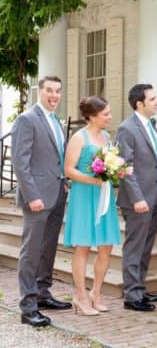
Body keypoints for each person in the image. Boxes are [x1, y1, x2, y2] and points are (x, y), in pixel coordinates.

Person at [11, 76, 72, 327]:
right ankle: (27, 306)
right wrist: (32, 195)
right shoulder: (27, 120)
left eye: (58, 91)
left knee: (48, 249)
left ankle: (43, 293)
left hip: (57, 194)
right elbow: (20, 162)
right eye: (49, 91)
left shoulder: (56, 120)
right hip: (37, 197)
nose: (54, 95)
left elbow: (56, 157)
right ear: (40, 91)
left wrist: (65, 181)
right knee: (31, 251)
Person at [63, 97, 121, 315]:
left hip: (103, 195)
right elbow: (69, 170)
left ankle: (97, 293)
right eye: (106, 114)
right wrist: (92, 180)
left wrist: (114, 171)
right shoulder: (79, 138)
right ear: (92, 116)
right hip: (84, 194)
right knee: (83, 247)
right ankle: (80, 296)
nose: (109, 117)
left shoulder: (106, 136)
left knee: (106, 246)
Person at [116, 84, 157, 312]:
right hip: (138, 199)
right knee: (135, 246)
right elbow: (125, 166)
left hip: (154, 195)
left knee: (146, 246)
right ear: (140, 103)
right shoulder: (127, 128)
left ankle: (139, 287)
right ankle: (132, 296)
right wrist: (137, 198)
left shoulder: (150, 126)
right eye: (153, 99)